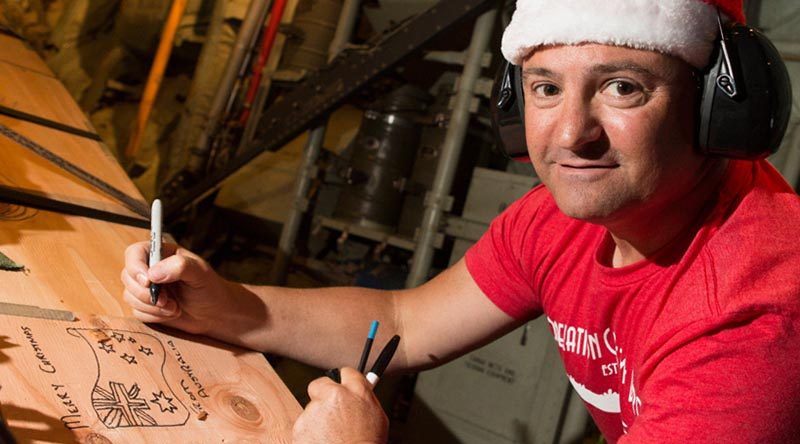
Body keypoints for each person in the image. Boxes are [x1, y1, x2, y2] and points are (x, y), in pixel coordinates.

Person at [121, 0, 800, 442]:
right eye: (545, 88)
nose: (570, 134)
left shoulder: (758, 318)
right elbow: (407, 322)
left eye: (622, 87)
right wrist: (228, 309)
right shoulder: (566, 215)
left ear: (719, 108)